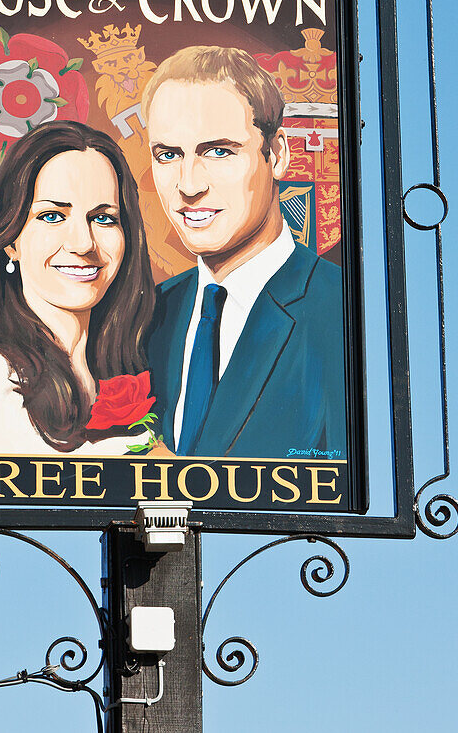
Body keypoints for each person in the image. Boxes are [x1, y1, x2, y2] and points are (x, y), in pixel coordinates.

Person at [143, 45, 347, 459]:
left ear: (278, 154)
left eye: (218, 151)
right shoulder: (146, 318)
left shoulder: (342, 310)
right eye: (168, 155)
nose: (188, 185)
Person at [0, 120, 156, 456]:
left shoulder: (142, 366)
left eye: (103, 218)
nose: (83, 243)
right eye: (53, 216)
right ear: (10, 241)